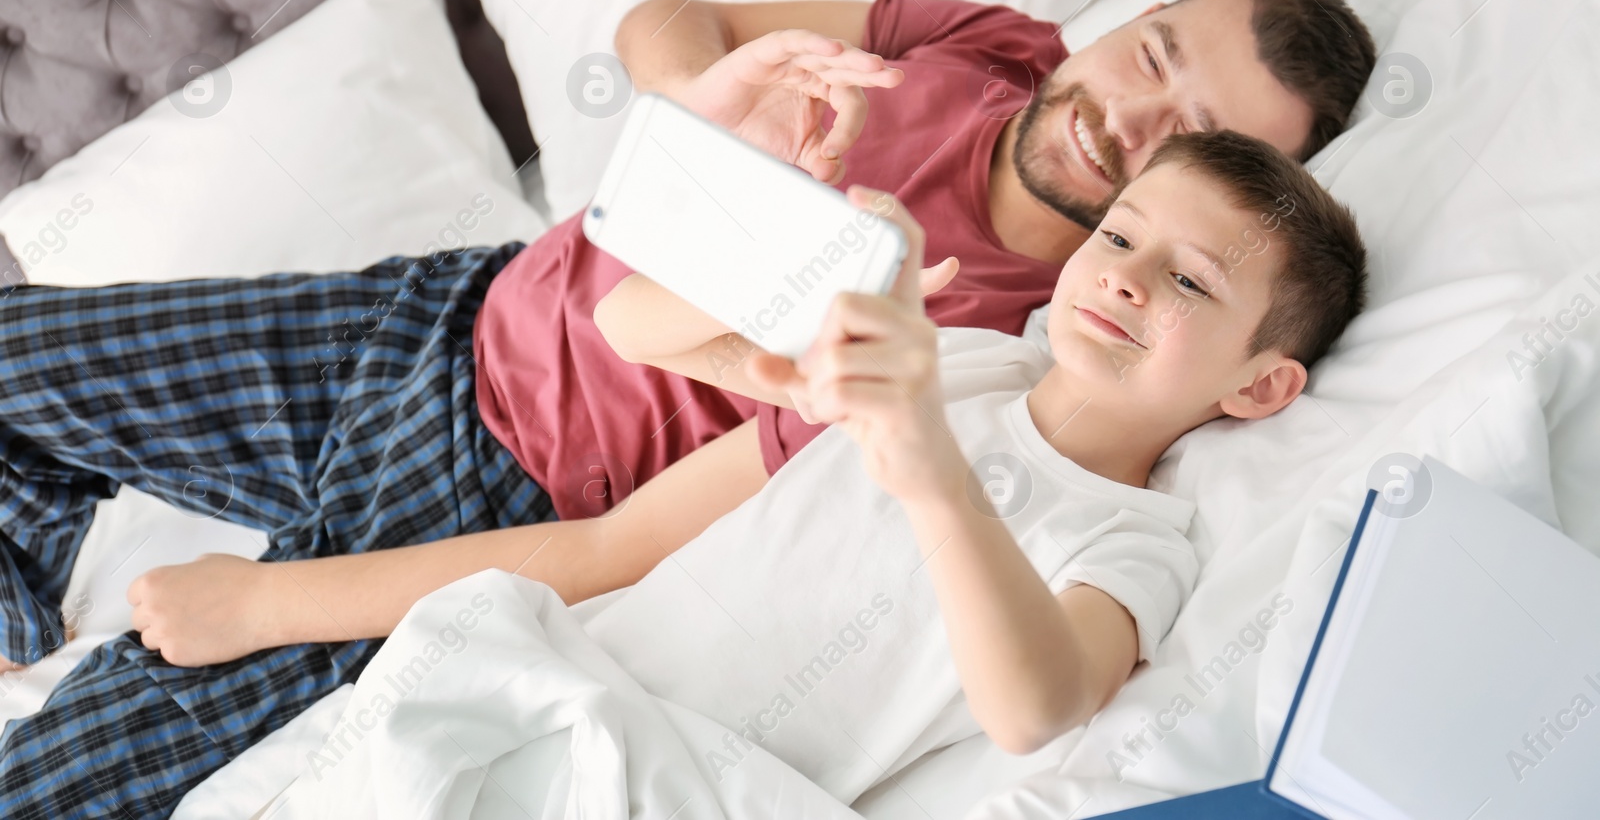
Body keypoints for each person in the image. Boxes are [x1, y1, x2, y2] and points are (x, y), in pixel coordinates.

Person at [0, 0, 1374, 818]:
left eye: (1186, 141)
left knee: (75, 767)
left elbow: (640, 527)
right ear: (1120, 25)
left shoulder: (1011, 338)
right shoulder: (994, 45)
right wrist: (706, 109)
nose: (1128, 119)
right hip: (468, 304)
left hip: (496, 478)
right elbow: (673, 21)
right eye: (1150, 55)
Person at [259, 128, 1368, 810]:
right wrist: (809, 267)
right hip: (566, 667)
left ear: (1259, 387)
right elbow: (635, 326)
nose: (1127, 281)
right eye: (1121, 238)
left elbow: (1035, 706)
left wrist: (925, 462)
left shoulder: (1137, 536)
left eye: (1191, 284)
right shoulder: (967, 357)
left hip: (680, 775)